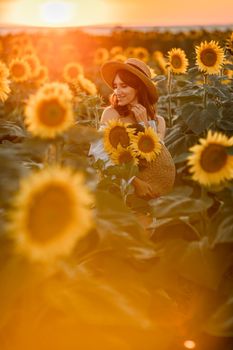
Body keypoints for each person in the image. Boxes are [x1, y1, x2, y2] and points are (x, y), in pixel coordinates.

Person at [89, 57, 166, 199]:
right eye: (116, 86)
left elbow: (157, 161)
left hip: (147, 196)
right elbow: (99, 154)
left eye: (124, 86)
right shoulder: (111, 114)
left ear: (139, 87)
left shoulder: (158, 122)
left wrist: (145, 126)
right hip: (115, 191)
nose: (117, 91)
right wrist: (134, 182)